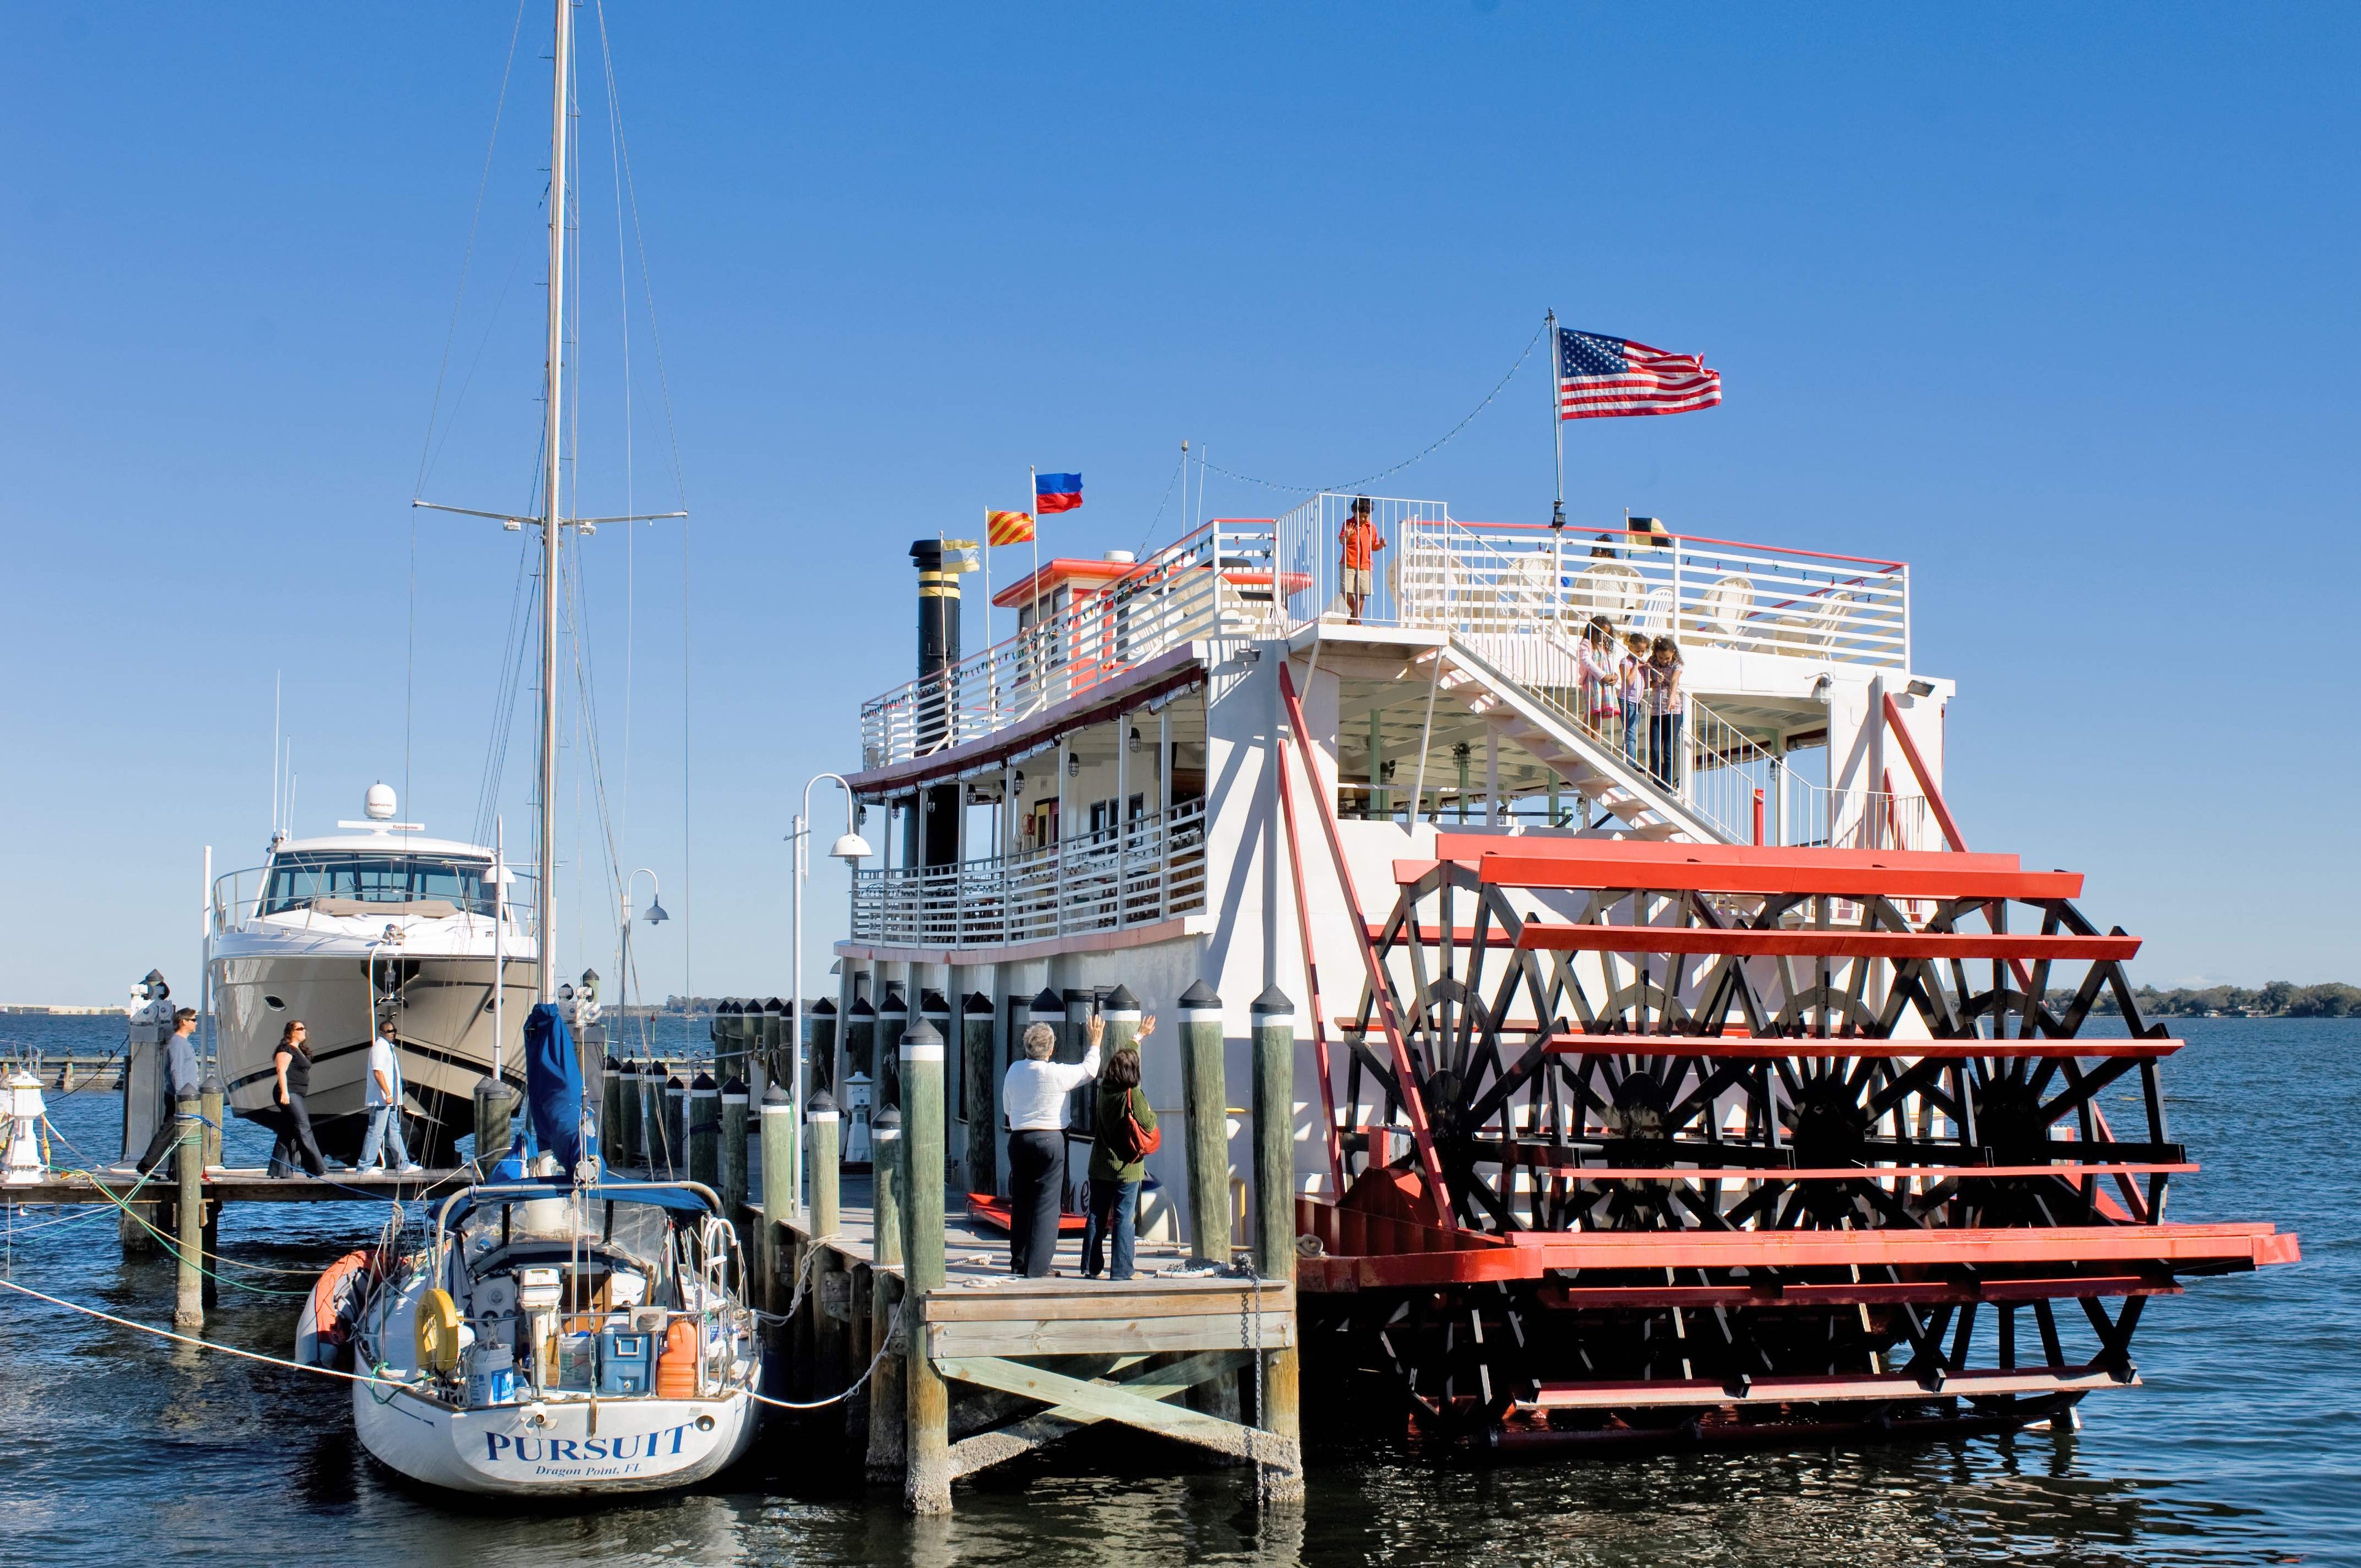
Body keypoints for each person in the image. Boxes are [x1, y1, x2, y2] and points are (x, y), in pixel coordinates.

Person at [1002, 1012, 1107, 1277]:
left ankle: (1020, 1262)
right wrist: (1095, 1042)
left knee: (1022, 1201)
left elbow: (1007, 1107)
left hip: (1020, 1139)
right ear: (1051, 1049)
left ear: (1027, 1047)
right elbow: (1090, 1070)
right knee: (1047, 1205)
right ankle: (1038, 1268)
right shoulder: (1057, 1073)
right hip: (1051, 1140)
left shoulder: (1014, 1070)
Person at [1082, 1039, 1158, 1283]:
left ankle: (1091, 1267)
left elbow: (1124, 1058)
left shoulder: (1104, 1088)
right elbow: (1149, 1124)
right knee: (1125, 1217)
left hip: (1100, 1165)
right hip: (1127, 1168)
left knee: (1096, 1215)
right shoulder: (1132, 1094)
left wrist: (1137, 1038)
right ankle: (1123, 1270)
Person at [135, 1007, 204, 1174]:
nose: (196, 1023)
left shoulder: (183, 1042)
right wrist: (181, 1095)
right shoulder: (177, 1043)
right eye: (194, 1020)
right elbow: (176, 1070)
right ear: (184, 1022)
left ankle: (174, 1169)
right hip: (179, 1097)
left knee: (179, 1132)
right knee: (169, 1131)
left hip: (186, 1096)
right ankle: (146, 1165)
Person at [358, 1023, 423, 1174]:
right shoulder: (379, 1048)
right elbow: (378, 1072)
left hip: (392, 1100)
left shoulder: (389, 1048)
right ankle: (365, 1166)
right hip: (382, 1099)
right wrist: (387, 1093)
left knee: (394, 1131)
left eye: (394, 1031)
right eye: (389, 1032)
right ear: (382, 1032)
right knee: (376, 1131)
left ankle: (403, 1164)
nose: (393, 1034)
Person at [267, 1020, 328, 1178]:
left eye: (304, 1028)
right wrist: (285, 1093)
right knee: (304, 1127)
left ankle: (280, 1170)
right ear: (291, 1033)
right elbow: (281, 1071)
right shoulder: (286, 1048)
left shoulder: (299, 1049)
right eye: (300, 1029)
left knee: (287, 1131)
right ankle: (316, 1168)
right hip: (289, 1093)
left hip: (298, 1094)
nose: (304, 1031)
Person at [1338, 496, 1385, 624]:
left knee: (1362, 593)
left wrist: (1381, 545)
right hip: (1348, 563)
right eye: (1361, 516)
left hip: (1365, 564)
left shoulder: (1371, 527)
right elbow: (1341, 540)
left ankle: (1356, 619)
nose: (1364, 519)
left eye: (1366, 516)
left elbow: (1373, 546)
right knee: (1346, 591)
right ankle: (1354, 613)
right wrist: (1347, 536)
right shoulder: (1348, 524)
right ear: (1354, 512)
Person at [1646, 635, 1685, 790]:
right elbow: (1646, 682)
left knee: (1668, 748)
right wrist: (1655, 682)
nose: (1664, 661)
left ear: (1673, 654)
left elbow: (1675, 680)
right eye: (1661, 658)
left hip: (1673, 710)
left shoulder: (1677, 664)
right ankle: (1657, 781)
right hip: (1657, 710)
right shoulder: (1652, 662)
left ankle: (1668, 783)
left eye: (1667, 658)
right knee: (1655, 748)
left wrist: (1672, 696)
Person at [1618, 630, 1650, 767]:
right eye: (1638, 651)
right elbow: (1629, 681)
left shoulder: (1641, 666)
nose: (1640, 654)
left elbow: (1647, 686)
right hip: (1627, 701)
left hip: (1637, 703)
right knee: (1631, 733)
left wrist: (1647, 670)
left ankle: (1632, 760)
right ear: (1630, 647)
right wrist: (1637, 665)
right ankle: (1632, 763)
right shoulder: (1626, 662)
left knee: (1634, 733)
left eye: (1643, 652)